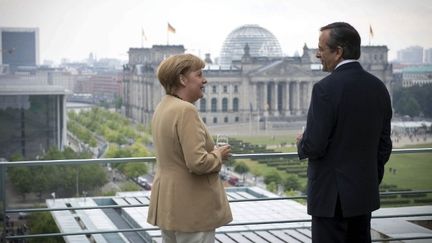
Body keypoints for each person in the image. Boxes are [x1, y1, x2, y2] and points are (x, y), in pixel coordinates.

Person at [296, 22, 393, 243]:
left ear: (338, 51)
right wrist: (368, 177)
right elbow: (384, 146)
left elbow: (315, 146)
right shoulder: (379, 87)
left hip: (330, 201)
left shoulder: (325, 89)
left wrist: (302, 141)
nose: (317, 55)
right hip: (363, 195)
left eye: (321, 49)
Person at [147, 53, 233, 243]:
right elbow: (198, 163)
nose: (205, 80)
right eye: (199, 75)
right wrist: (218, 154)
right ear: (182, 79)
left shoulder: (163, 106)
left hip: (169, 204)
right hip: (192, 208)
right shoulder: (186, 110)